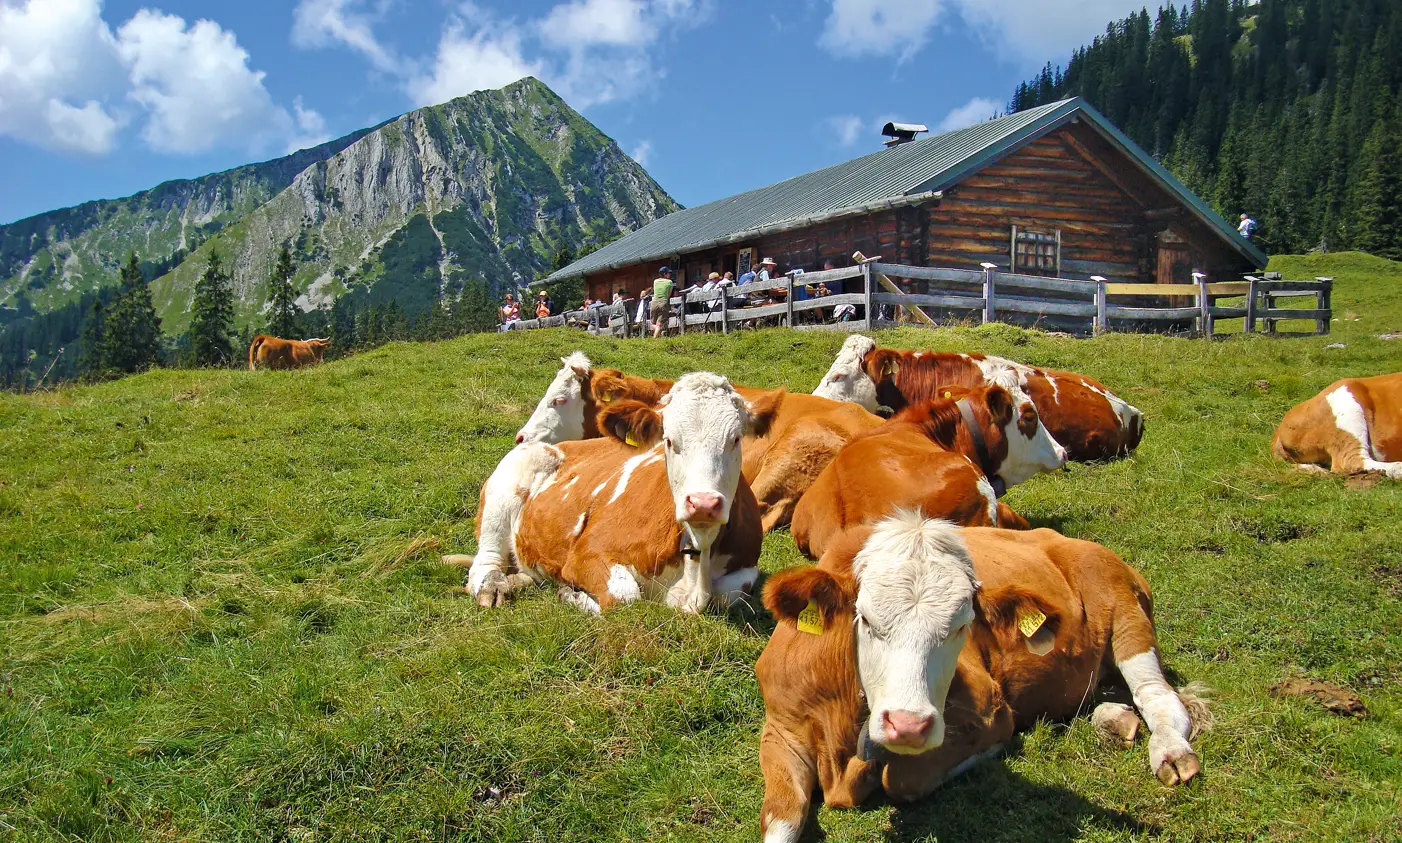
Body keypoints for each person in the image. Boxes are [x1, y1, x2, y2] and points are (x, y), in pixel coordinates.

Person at [650, 266, 674, 338]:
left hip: (654, 303)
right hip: (663, 302)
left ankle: (657, 337)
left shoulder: (655, 281)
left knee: (653, 324)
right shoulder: (669, 282)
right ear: (664, 274)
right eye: (668, 273)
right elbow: (669, 294)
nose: (669, 275)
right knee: (660, 324)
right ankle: (654, 340)